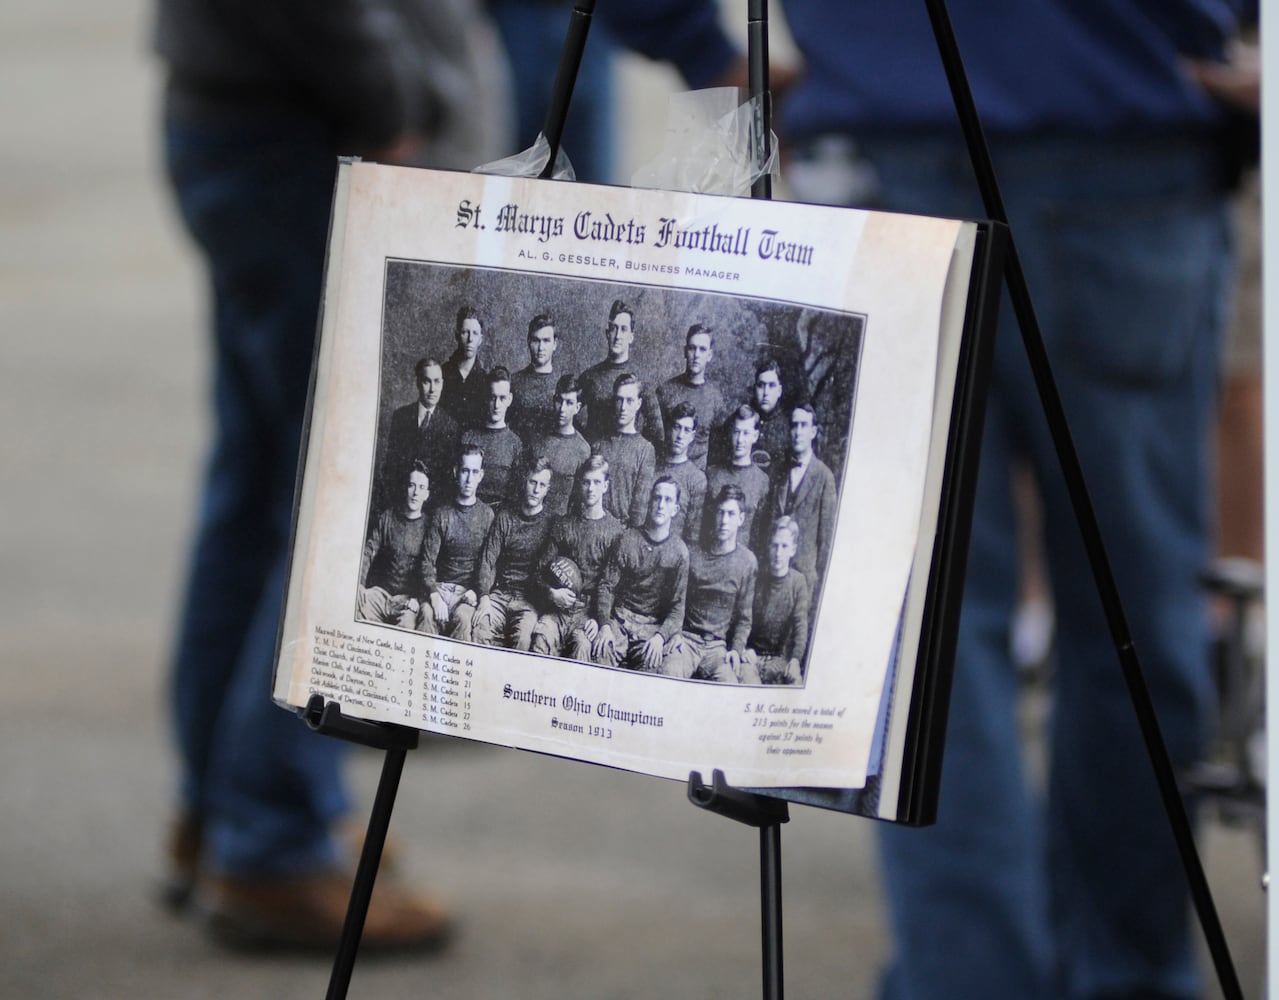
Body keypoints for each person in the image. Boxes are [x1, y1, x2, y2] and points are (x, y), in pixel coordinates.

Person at [596, 2, 1251, 997]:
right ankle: (1124, 972)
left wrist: (709, 52)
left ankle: (966, 975)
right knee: (1129, 617)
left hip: (883, 153)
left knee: (916, 632)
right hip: (1119, 143)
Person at [154, 0, 482, 951]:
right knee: (349, 496)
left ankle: (225, 812)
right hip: (313, 129)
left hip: (259, 119)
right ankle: (271, 839)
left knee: (266, 487)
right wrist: (389, 103)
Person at [529, 454, 626, 660]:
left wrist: (601, 621)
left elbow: (612, 586)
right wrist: (552, 593)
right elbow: (538, 572)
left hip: (587, 614)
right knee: (540, 641)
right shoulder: (564, 524)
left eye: (597, 482)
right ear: (580, 484)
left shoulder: (615, 531)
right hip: (557, 609)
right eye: (586, 482)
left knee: (582, 648)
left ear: (606, 486)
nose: (591, 488)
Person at [592, 478, 689, 672]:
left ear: (675, 509)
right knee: (599, 656)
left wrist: (661, 636)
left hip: (651, 629)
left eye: (668, 500)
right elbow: (607, 586)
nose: (661, 505)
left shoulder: (679, 552)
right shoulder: (627, 539)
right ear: (649, 502)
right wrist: (604, 625)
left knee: (654, 669)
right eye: (657, 498)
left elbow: (677, 607)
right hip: (619, 620)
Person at [662, 485, 757, 683]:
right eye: (720, 513)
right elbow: (676, 602)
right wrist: (675, 633)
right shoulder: (693, 554)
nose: (724, 521)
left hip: (717, 649)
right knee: (667, 676)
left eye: (731, 514)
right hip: (686, 640)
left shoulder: (747, 561)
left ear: (740, 519)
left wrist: (736, 649)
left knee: (729, 688)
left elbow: (744, 618)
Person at [471, 456, 556, 650]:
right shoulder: (505, 517)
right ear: (524, 481)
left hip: (529, 600)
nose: (536, 490)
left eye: (542, 485)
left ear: (548, 489)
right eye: (532, 482)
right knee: (479, 629)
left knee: (523, 639)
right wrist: (484, 596)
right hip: (500, 594)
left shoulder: (552, 523)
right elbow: (487, 559)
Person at [760, 402, 835, 602]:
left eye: (803, 426)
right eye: (794, 425)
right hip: (772, 573)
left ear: (813, 431)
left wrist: (816, 580)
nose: (798, 432)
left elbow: (826, 539)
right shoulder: (779, 471)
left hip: (803, 577)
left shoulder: (824, 477)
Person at [418, 444, 494, 640]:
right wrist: (434, 595)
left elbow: (490, 562)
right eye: (465, 471)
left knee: (464, 620)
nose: (469, 479)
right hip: (439, 588)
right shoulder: (442, 513)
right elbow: (427, 561)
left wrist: (478, 592)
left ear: (481, 475)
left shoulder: (487, 515)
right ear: (455, 472)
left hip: (466, 594)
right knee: (426, 615)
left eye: (474, 472)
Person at [376, 356, 458, 516]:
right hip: (400, 505)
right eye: (427, 381)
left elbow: (447, 479)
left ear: (442, 384)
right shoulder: (401, 417)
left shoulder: (451, 426)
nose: (433, 389)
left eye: (437, 381)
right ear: (418, 383)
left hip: (432, 511)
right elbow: (391, 467)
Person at [577, 299, 663, 447]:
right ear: (607, 333)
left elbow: (657, 430)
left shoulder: (641, 380)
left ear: (631, 336)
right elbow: (568, 409)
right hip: (595, 461)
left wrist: (637, 450)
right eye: (614, 329)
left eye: (623, 329)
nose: (617, 336)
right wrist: (585, 443)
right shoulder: (590, 376)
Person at [357, 462, 430, 628]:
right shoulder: (388, 517)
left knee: (407, 627)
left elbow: (431, 568)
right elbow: (369, 550)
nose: (415, 493)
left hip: (408, 602)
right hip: (381, 595)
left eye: (421, 487)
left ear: (427, 494)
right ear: (405, 488)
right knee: (358, 606)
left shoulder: (430, 526)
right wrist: (360, 583)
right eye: (411, 485)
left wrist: (419, 598)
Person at [742, 516, 810, 686]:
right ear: (769, 547)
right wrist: (743, 648)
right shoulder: (756, 578)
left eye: (784, 546)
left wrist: (795, 660)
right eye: (775, 545)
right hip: (752, 657)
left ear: (793, 550)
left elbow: (800, 627)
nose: (779, 553)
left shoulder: (798, 582)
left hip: (780, 659)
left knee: (796, 684)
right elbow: (740, 619)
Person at [656, 324, 724, 469]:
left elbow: (718, 451)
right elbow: (654, 439)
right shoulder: (666, 391)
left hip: (699, 477)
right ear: (685, 351)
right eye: (692, 348)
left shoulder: (715, 398)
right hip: (667, 475)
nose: (697, 355)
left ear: (709, 355)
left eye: (702, 349)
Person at [594, 373, 658, 528]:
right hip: (595, 525)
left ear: (638, 404)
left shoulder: (645, 449)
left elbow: (639, 509)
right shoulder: (598, 445)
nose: (623, 407)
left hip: (623, 531)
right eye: (619, 400)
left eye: (629, 401)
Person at [704, 404, 770, 551]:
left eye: (746, 433)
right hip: (712, 555)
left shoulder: (762, 480)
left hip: (742, 562)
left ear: (755, 436)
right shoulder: (712, 474)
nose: (740, 439)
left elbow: (759, 532)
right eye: (736, 432)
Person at [525, 373, 591, 517]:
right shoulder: (536, 439)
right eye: (559, 401)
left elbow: (579, 500)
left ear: (577, 407)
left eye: (569, 403)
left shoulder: (583, 449)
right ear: (554, 400)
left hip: (559, 525)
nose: (562, 409)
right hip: (532, 520)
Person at [459, 366, 524, 507]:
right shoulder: (468, 438)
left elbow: (516, 493)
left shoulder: (515, 443)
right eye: (492, 398)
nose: (497, 405)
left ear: (510, 399)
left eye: (502, 398)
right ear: (486, 398)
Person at [655, 401, 707, 545]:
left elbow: (692, 535)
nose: (680, 436)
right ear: (669, 429)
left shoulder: (697, 479)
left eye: (686, 430)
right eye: (677, 428)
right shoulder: (652, 466)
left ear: (692, 436)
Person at [508, 314, 560, 445]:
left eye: (546, 341)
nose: (541, 347)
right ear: (528, 342)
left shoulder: (562, 384)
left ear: (555, 344)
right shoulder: (514, 382)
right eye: (536, 340)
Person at [440, 305, 488, 429]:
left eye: (475, 333)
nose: (470, 339)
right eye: (465, 332)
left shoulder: (486, 380)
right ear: (457, 335)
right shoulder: (441, 375)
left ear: (480, 340)